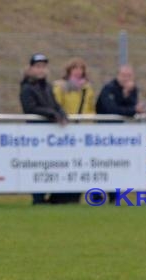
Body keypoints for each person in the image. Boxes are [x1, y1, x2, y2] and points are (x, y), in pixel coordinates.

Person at [20, 53, 68, 205]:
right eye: (38, 67)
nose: (41, 70)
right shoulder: (27, 87)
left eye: (43, 67)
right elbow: (31, 108)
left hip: (50, 135)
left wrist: (61, 114)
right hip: (36, 134)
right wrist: (53, 114)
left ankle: (51, 197)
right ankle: (38, 198)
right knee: (38, 166)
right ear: (31, 68)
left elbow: (54, 104)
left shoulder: (47, 87)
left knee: (51, 165)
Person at [96, 64, 146, 203]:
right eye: (124, 75)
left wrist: (127, 95)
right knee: (101, 164)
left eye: (129, 76)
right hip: (103, 134)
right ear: (118, 75)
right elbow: (111, 109)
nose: (126, 79)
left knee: (115, 165)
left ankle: (114, 197)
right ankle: (96, 196)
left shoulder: (132, 89)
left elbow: (132, 106)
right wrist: (132, 108)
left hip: (120, 136)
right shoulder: (108, 89)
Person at [52, 57, 96, 204]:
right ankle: (61, 196)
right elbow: (57, 104)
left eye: (80, 68)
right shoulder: (61, 87)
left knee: (81, 164)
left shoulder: (87, 88)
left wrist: (89, 123)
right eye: (75, 68)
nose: (78, 71)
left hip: (83, 131)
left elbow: (90, 108)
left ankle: (75, 196)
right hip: (66, 130)